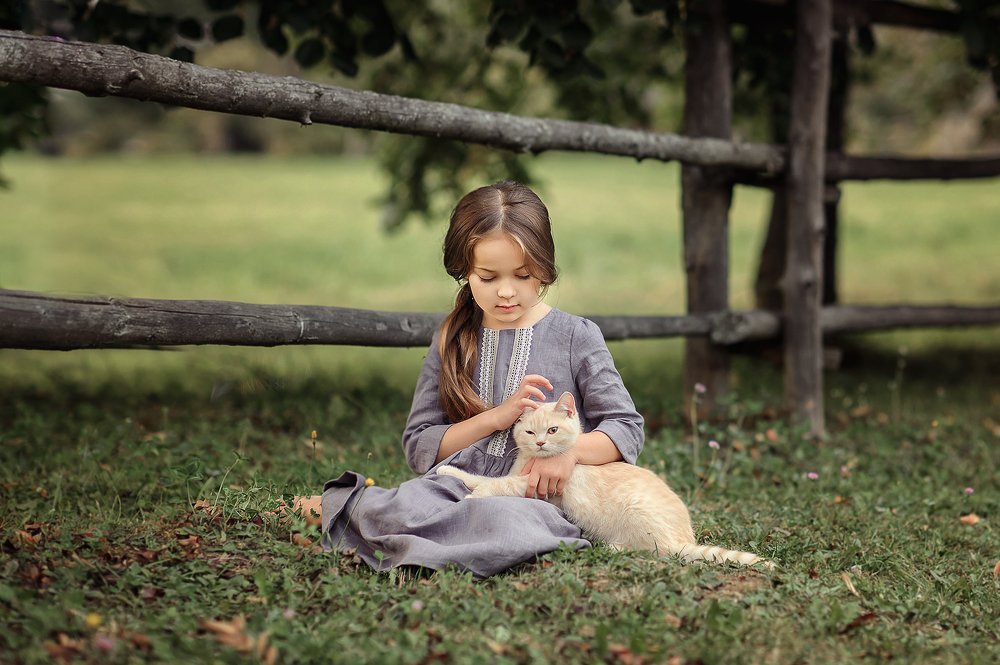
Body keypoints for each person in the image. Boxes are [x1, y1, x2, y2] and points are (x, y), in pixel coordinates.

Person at [291, 180, 644, 578]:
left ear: (544, 269)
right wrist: (495, 418)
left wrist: (570, 453)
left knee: (510, 527)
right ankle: (364, 515)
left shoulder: (576, 336)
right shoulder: (452, 338)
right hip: (459, 485)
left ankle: (389, 531)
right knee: (413, 502)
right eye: (488, 278)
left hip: (537, 499)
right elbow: (420, 445)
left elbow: (626, 428)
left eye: (523, 276)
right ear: (464, 271)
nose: (507, 292)